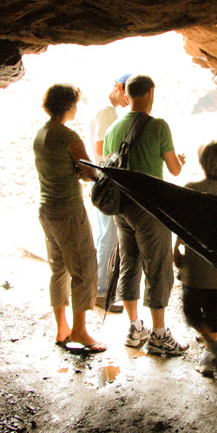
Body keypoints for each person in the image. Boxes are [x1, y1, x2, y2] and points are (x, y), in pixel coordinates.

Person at [103, 74, 188, 355]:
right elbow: (174, 170)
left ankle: (135, 328)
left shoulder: (113, 129)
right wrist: (181, 161)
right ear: (151, 93)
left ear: (127, 96)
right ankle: (160, 335)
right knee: (158, 269)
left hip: (121, 209)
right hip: (150, 209)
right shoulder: (159, 126)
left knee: (129, 264)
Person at [33, 83, 106, 354]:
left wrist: (72, 169)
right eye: (75, 103)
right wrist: (84, 171)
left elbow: (57, 167)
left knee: (59, 268)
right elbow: (91, 173)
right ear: (67, 105)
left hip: (47, 208)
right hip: (68, 210)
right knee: (84, 269)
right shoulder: (68, 136)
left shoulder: (40, 134)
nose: (77, 107)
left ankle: (62, 328)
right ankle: (80, 331)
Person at [173, 140, 217, 376]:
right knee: (216, 312)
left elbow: (182, 225)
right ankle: (211, 347)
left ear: (202, 163)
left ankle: (209, 345)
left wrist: (176, 249)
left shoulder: (190, 188)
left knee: (190, 310)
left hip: (195, 266)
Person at [86, 73, 131, 313]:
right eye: (127, 93)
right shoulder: (107, 111)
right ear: (120, 87)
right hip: (106, 181)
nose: (128, 100)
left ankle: (98, 288)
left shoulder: (105, 109)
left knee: (104, 235)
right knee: (108, 237)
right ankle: (101, 292)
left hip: (100, 180)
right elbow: (100, 147)